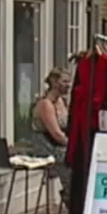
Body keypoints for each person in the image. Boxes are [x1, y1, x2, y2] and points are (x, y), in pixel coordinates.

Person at [32, 68, 71, 205]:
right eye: (64, 81)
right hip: (46, 146)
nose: (68, 85)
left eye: (69, 81)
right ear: (54, 82)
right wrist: (74, 146)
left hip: (59, 144)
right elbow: (56, 134)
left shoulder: (63, 102)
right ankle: (70, 194)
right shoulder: (46, 104)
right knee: (69, 157)